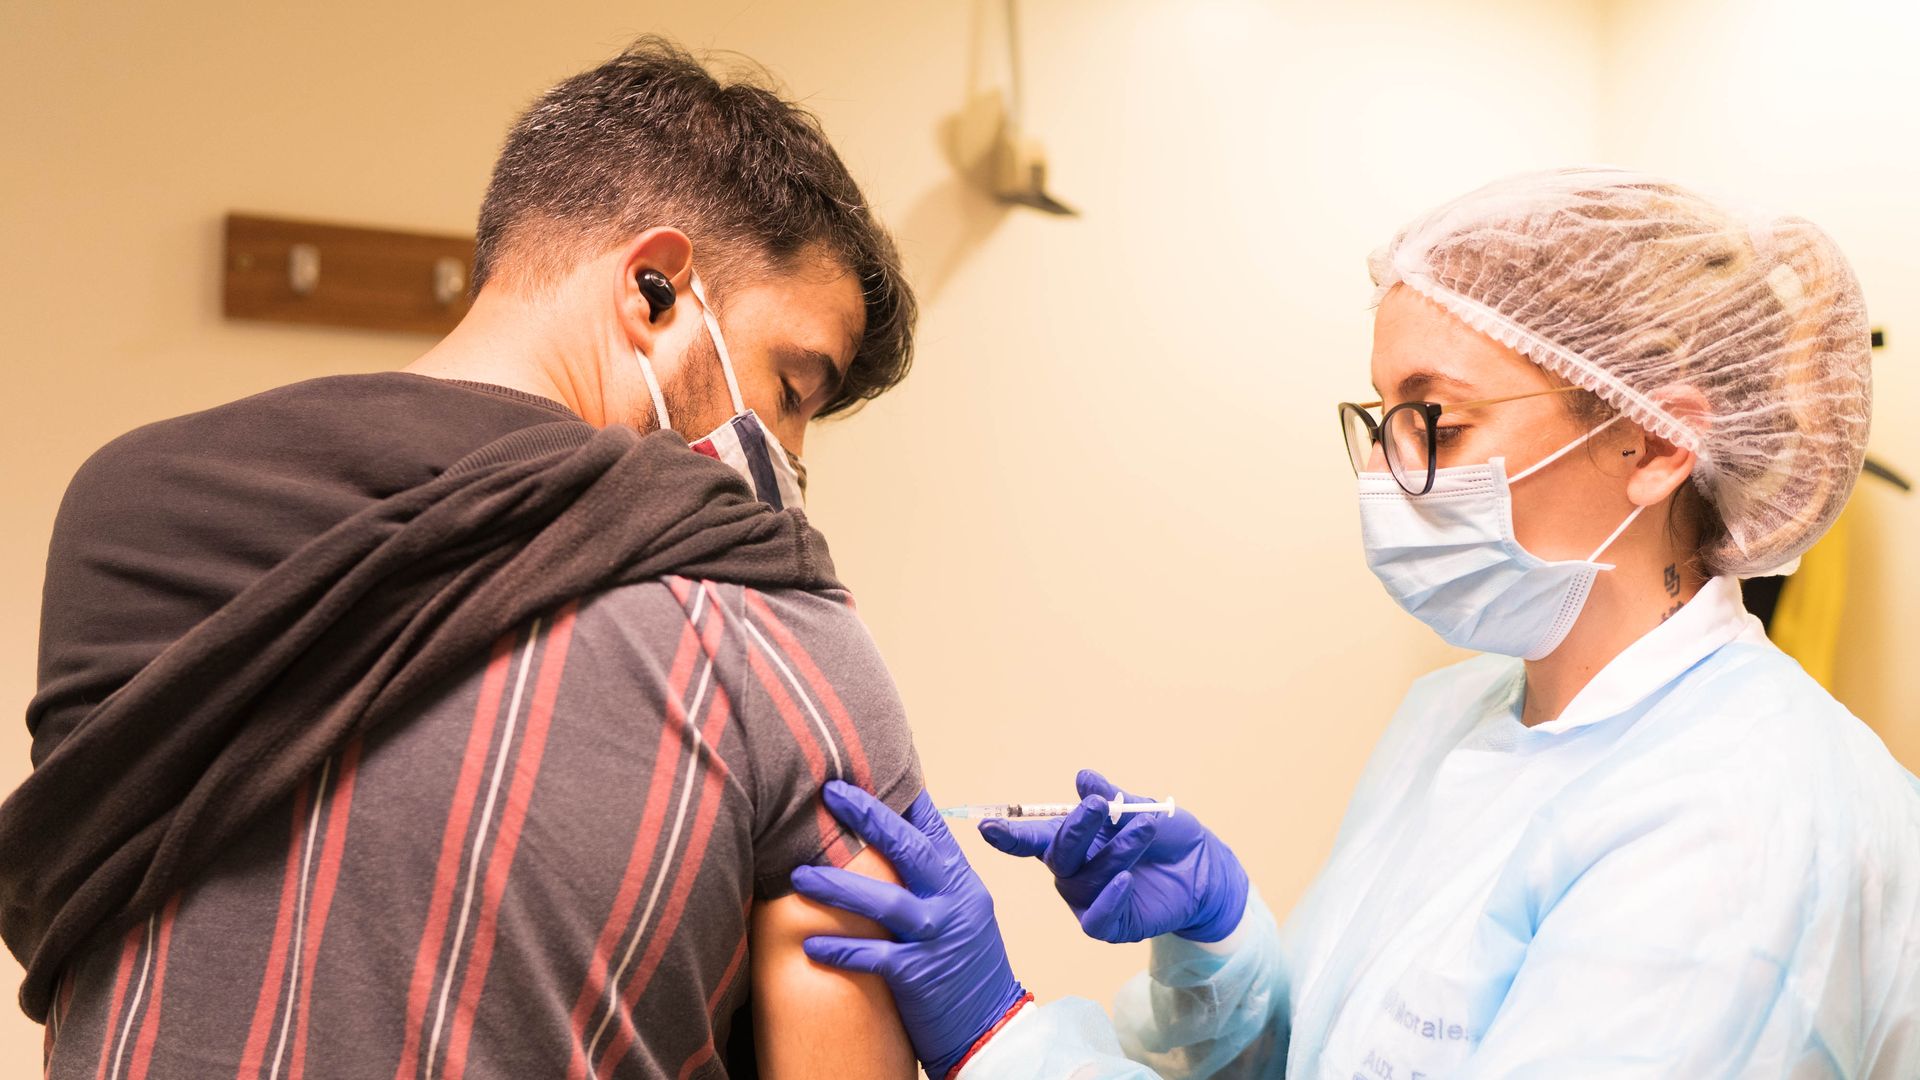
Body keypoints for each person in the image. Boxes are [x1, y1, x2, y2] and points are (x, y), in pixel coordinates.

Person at [793, 168, 1920, 1078]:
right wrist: (1227, 942)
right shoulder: (1460, 717)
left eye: (1435, 418)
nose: (1389, 469)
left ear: (1658, 446)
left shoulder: (1744, 822)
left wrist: (1005, 1039)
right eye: (1381, 417)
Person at [3, 38, 929, 1079]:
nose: (791, 455)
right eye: (794, 387)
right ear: (656, 289)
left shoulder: (132, 514)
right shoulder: (780, 639)